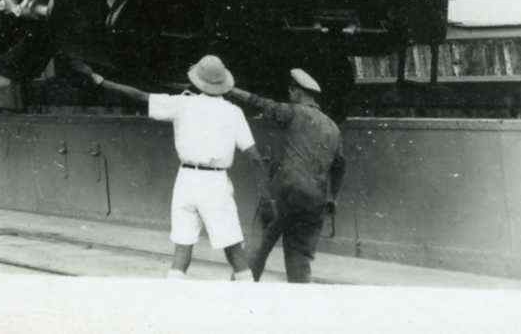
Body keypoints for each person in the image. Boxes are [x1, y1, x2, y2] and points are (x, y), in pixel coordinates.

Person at [73, 54, 267, 280]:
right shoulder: (234, 112)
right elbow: (254, 156)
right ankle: (250, 298)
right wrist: (268, 196)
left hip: (185, 180)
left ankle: (173, 295)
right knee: (234, 251)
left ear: (197, 82)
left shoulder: (181, 104)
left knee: (182, 248)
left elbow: (139, 96)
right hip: (215, 184)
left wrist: (100, 80)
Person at [226, 67, 346, 283]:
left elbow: (260, 102)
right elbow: (339, 167)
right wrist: (332, 198)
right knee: (299, 259)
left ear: (295, 91)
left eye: (291, 92)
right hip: (314, 202)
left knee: (256, 251)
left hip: (283, 192)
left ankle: (239, 302)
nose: (289, 96)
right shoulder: (333, 128)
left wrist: (230, 90)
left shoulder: (294, 112)